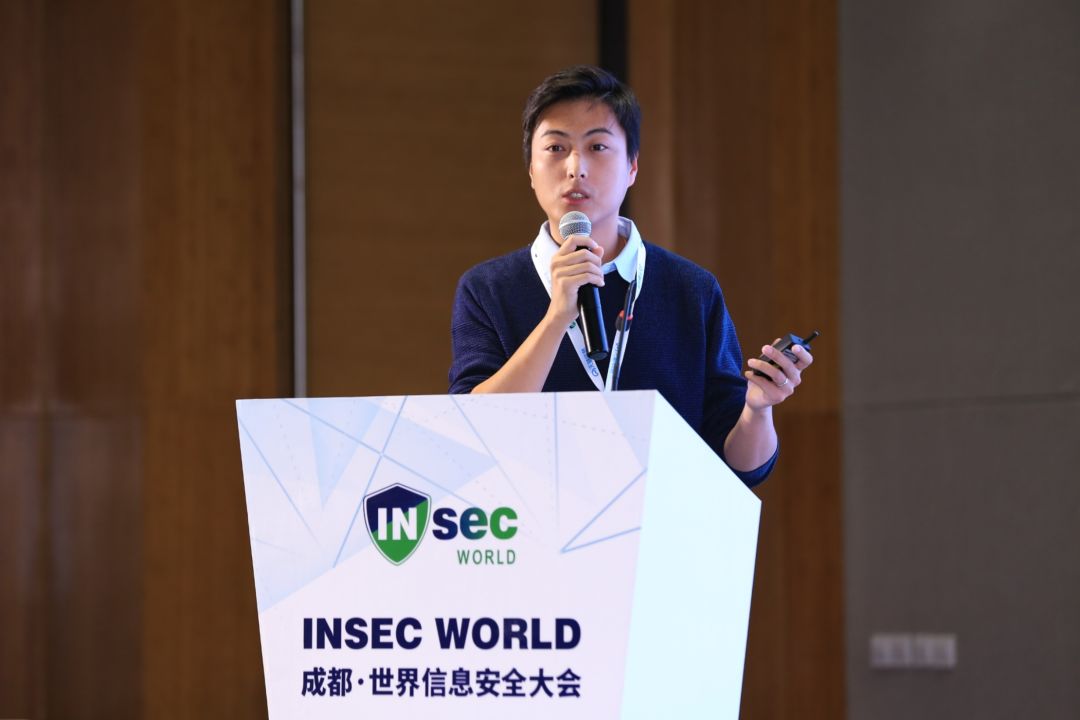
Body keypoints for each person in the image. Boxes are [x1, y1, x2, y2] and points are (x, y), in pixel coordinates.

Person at [448, 65, 812, 487]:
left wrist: (758, 409)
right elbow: (473, 431)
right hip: (530, 522)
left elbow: (741, 466)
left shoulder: (690, 290)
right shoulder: (487, 289)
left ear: (633, 167)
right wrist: (557, 318)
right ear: (531, 170)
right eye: (556, 148)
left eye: (598, 147)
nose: (576, 168)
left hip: (665, 522)